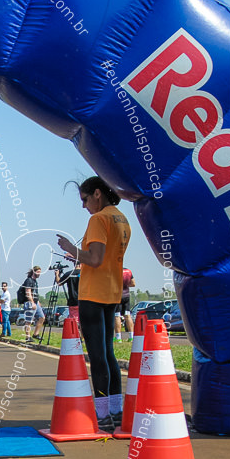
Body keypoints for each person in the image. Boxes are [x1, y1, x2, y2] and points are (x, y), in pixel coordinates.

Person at [56, 175, 131, 431]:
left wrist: (70, 249)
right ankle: (115, 410)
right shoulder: (121, 218)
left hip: (93, 294)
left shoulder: (98, 219)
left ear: (97, 194)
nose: (84, 206)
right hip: (112, 292)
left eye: (85, 199)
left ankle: (102, 414)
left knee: (97, 356)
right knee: (109, 353)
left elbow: (96, 259)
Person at [20, 267, 45, 342]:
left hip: (36, 302)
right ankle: (28, 337)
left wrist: (38, 302)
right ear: (34, 272)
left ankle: (36, 334)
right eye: (38, 272)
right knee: (29, 321)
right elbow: (28, 292)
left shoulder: (35, 281)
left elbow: (35, 293)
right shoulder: (29, 280)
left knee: (42, 317)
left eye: (40, 272)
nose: (39, 274)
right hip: (30, 302)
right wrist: (32, 302)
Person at [117, 267, 136, 342]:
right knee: (128, 315)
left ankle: (118, 338)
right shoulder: (128, 271)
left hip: (117, 296)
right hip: (127, 296)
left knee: (116, 316)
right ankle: (131, 336)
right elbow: (133, 283)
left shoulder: (114, 270)